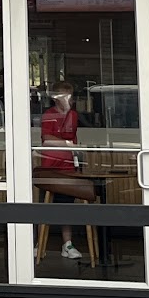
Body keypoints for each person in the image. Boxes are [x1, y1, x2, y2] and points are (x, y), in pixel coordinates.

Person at [35, 81, 92, 260]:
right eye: (65, 96)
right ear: (55, 98)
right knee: (45, 207)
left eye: (70, 96)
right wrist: (67, 143)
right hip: (50, 166)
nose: (69, 100)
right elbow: (47, 139)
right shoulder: (48, 115)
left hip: (68, 165)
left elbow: (70, 135)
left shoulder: (73, 115)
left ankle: (67, 244)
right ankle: (38, 245)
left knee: (67, 206)